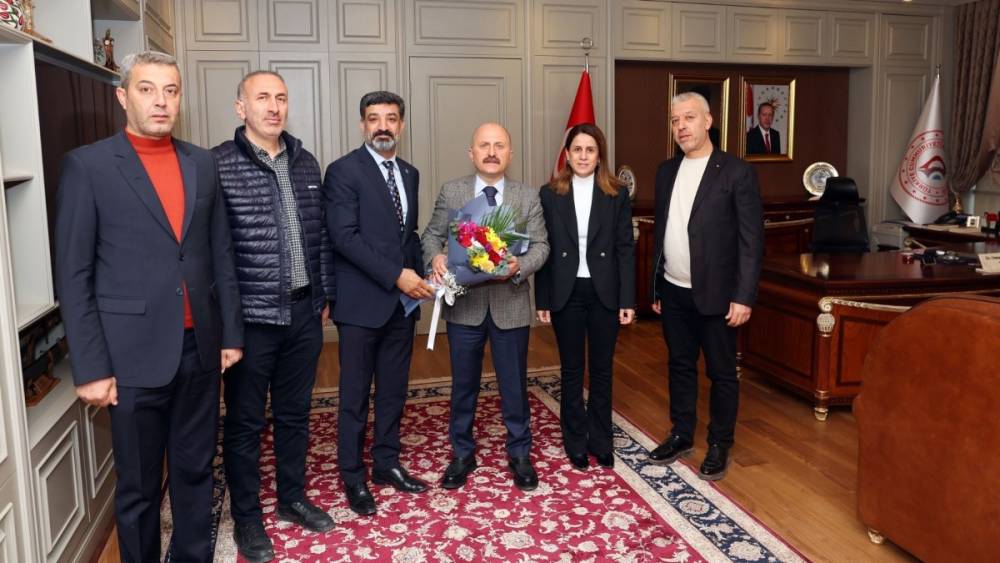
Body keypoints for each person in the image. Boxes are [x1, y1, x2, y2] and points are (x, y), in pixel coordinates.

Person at [54, 51, 244, 563]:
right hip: (131, 357)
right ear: (123, 96)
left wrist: (230, 333)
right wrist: (91, 367)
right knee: (138, 486)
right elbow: (74, 276)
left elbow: (219, 253)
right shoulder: (88, 167)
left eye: (171, 90)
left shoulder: (201, 163)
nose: (160, 101)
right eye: (146, 89)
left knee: (196, 472)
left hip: (200, 350)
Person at [212, 70, 336, 562]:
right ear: (241, 108)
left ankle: (291, 498)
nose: (273, 106)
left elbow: (320, 236)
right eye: (262, 97)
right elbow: (215, 252)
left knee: (295, 413)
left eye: (280, 98)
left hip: (304, 312)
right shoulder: (219, 164)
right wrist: (227, 324)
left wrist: (322, 295)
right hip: (252, 317)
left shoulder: (306, 162)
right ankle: (247, 518)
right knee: (244, 423)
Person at [422, 122, 550, 491]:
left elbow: (541, 246)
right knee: (463, 385)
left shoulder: (527, 196)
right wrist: (435, 258)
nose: (491, 152)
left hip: (510, 303)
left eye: (499, 146)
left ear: (510, 153)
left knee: (514, 385)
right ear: (472, 152)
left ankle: (519, 453)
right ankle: (462, 453)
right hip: (465, 306)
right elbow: (431, 236)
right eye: (484, 145)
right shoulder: (453, 191)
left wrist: (519, 266)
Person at [323, 91, 433, 516]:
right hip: (360, 305)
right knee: (354, 396)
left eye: (390, 118)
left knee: (393, 391)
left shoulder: (409, 173)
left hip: (402, 306)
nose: (382, 126)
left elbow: (408, 236)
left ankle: (387, 463)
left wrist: (426, 275)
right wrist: (396, 275)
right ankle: (353, 476)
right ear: (362, 125)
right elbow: (344, 238)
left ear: (401, 125)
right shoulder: (343, 171)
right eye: (374, 118)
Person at [648, 91, 763, 481]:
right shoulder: (666, 171)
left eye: (689, 118)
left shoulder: (735, 172)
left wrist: (743, 296)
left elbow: (751, 241)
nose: (681, 126)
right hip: (673, 291)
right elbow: (663, 233)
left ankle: (719, 443)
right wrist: (657, 289)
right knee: (680, 366)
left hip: (719, 295)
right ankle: (681, 434)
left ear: (708, 121)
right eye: (675, 120)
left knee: (721, 373)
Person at [535, 123, 635, 471]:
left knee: (602, 370)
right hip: (567, 293)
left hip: (605, 292)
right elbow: (545, 250)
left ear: (599, 156)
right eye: (577, 149)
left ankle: (601, 441)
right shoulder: (550, 194)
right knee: (572, 370)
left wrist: (627, 299)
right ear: (567, 154)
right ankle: (575, 440)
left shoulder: (616, 193)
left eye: (590, 150)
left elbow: (625, 249)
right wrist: (543, 300)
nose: (583, 156)